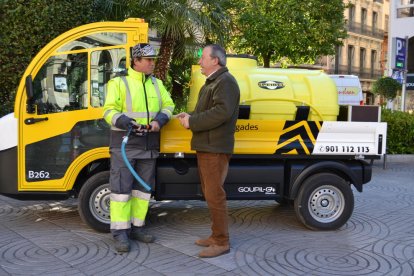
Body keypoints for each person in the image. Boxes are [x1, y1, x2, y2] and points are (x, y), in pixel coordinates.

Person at [103, 43, 174, 253]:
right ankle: (120, 234)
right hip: (125, 143)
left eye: (153, 59)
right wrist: (126, 122)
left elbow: (169, 105)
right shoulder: (118, 83)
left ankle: (137, 228)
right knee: (121, 191)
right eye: (149, 60)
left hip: (149, 145)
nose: (153, 63)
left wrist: (160, 120)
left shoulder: (156, 84)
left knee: (143, 191)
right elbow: (108, 111)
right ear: (136, 61)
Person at [177, 44, 240, 258]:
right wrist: (189, 115)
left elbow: (222, 112)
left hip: (215, 148)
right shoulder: (213, 82)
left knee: (215, 195)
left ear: (216, 60)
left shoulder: (226, 82)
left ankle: (222, 242)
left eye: (203, 57)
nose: (200, 61)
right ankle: (215, 236)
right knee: (210, 194)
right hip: (207, 146)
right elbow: (207, 110)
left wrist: (192, 121)